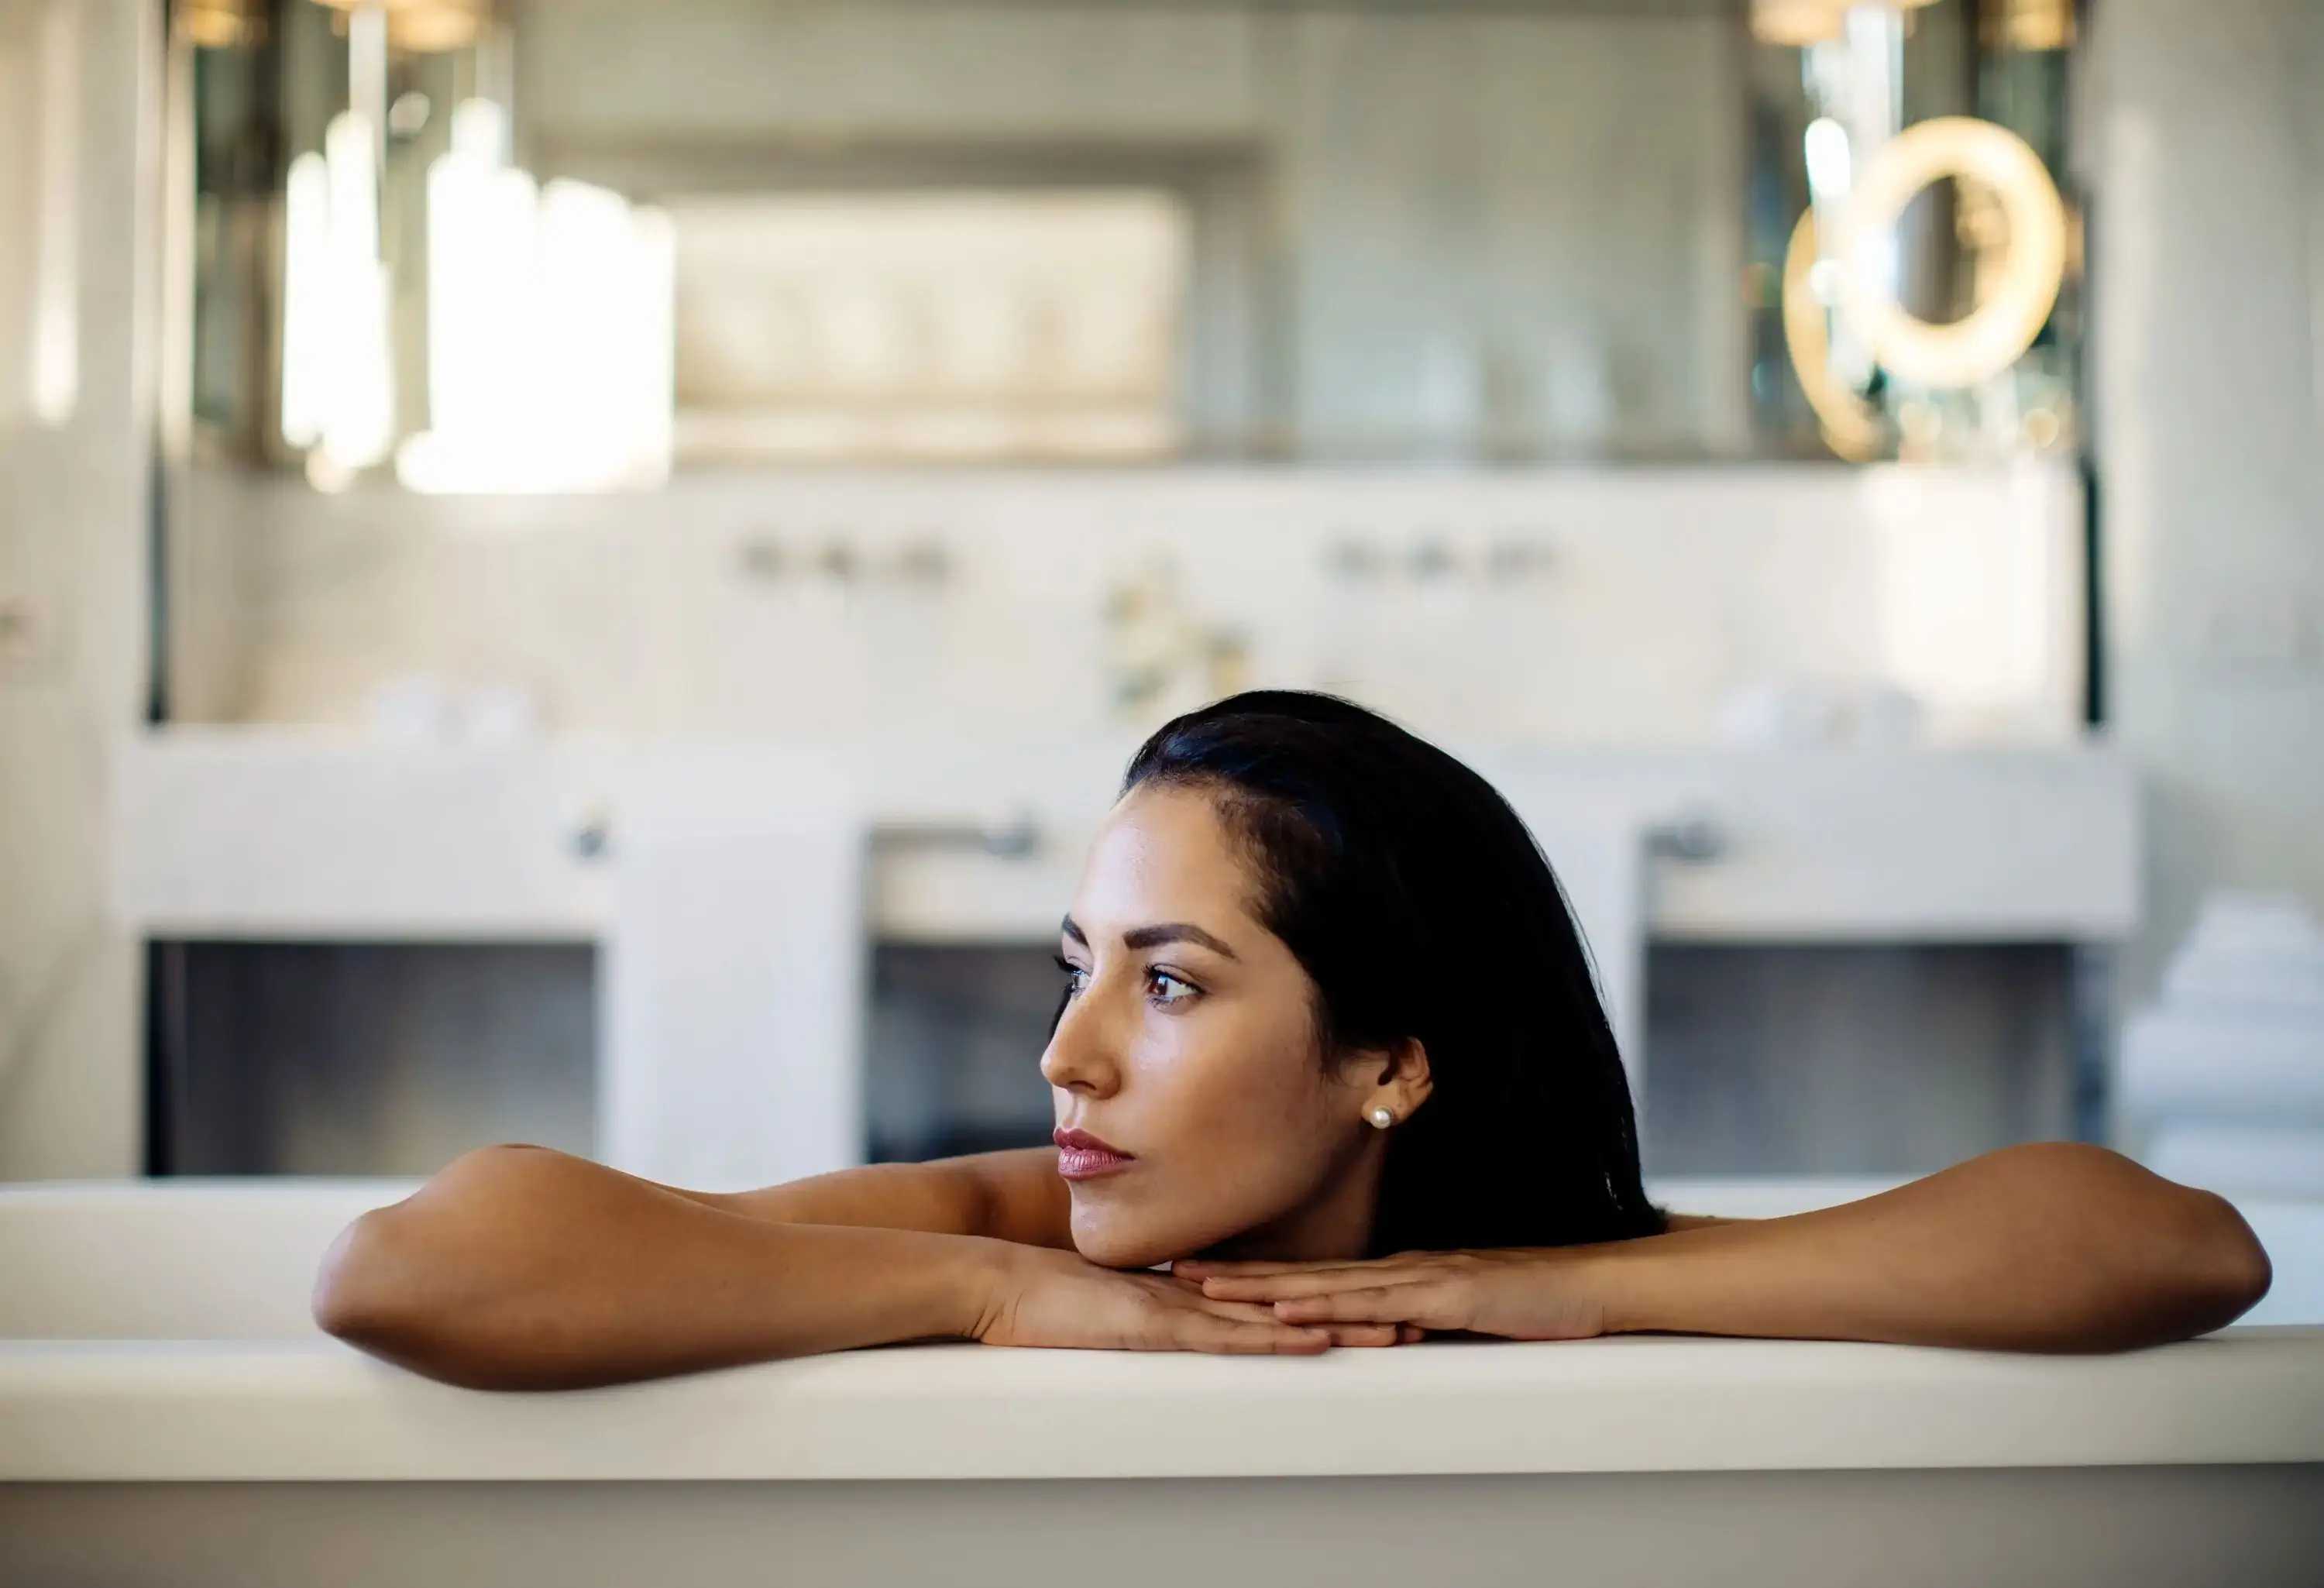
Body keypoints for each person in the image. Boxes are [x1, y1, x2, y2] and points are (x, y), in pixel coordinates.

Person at [313, 692, 2271, 1390]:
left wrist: (1564, 1283)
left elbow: (2184, 1244)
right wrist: (991, 1298)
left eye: (1169, 982)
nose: (1068, 1055)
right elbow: (404, 1267)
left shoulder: (1516, 1271)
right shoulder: (1002, 1216)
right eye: (1078, 964)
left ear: (1388, 1058)